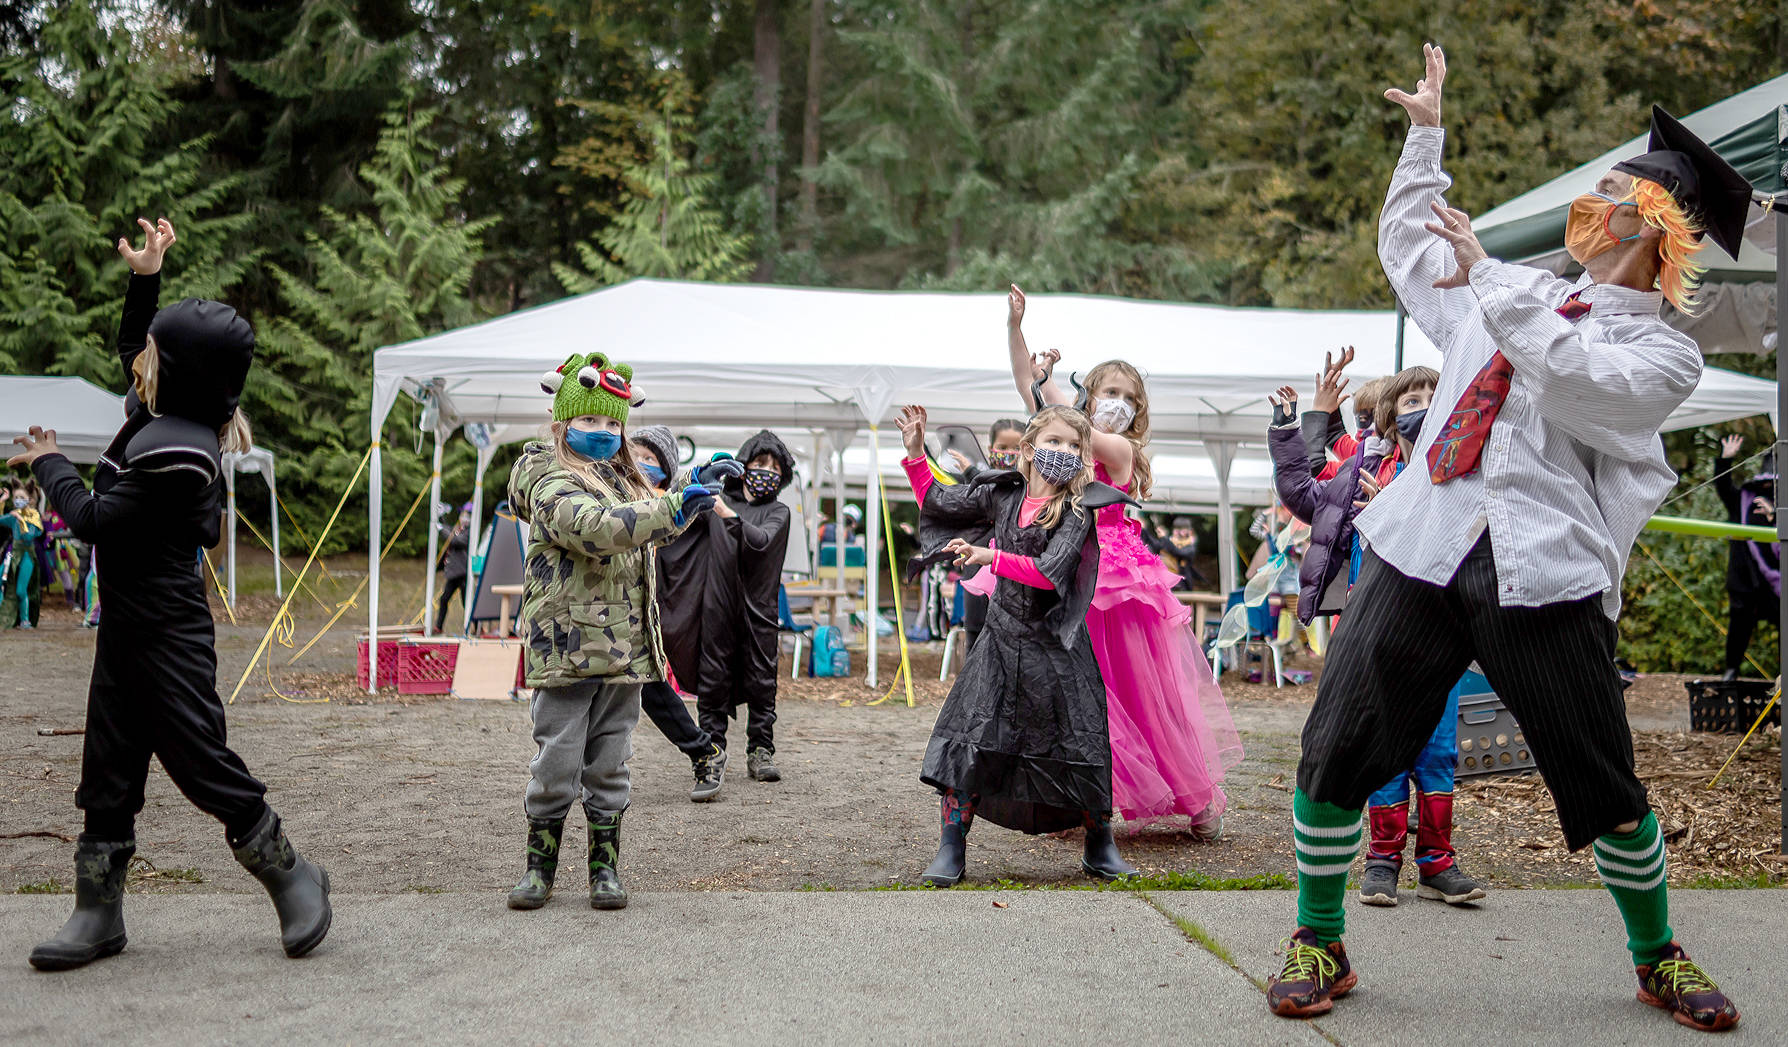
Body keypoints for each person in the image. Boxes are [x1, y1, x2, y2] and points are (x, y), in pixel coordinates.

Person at [1266, 45, 1748, 1032]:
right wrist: (1425, 138)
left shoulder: (1658, 351)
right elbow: (1412, 254)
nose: (1590, 202)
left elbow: (1570, 371)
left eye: (1609, 191)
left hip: (1541, 572)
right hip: (1422, 542)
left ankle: (1657, 954)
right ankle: (1321, 937)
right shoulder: (1509, 288)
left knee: (1604, 778)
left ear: (1653, 226)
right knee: (1336, 750)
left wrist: (1490, 277)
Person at [14, 218, 331, 970]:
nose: (138, 358)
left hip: (169, 635)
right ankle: (98, 911)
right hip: (125, 629)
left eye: (156, 349)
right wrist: (145, 275)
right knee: (108, 766)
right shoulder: (165, 408)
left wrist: (52, 462)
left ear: (180, 372)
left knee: (201, 761)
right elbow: (134, 349)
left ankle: (292, 874)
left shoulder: (183, 457)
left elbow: (93, 520)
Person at [1008, 284, 1243, 835]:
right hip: (1070, 568)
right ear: (1089, 394)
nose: (1119, 400)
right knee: (1075, 689)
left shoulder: (1118, 449)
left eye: (1128, 396)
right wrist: (1015, 329)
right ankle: (1082, 794)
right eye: (1108, 390)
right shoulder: (1069, 435)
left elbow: (1046, 410)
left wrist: (1044, 394)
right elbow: (1030, 394)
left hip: (1119, 579)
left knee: (1140, 689)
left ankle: (1193, 795)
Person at [505, 352, 716, 912]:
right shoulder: (544, 477)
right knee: (557, 763)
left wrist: (693, 492)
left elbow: (654, 531)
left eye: (611, 423)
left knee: (610, 765)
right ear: (561, 424)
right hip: (568, 652)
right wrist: (672, 505)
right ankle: (539, 868)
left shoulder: (626, 477)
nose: (602, 432)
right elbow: (595, 531)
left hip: (626, 648)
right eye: (589, 421)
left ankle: (605, 869)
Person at [1271, 374, 1488, 909]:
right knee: (1380, 751)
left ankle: (1438, 862)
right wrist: (1296, 425)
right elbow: (1303, 493)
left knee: (1437, 752)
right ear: (1390, 417)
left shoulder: (1465, 477)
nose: (1424, 409)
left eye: (1434, 400)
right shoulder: (1362, 473)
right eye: (1412, 401)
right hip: (1374, 636)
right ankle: (1382, 862)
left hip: (1441, 639)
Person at [897, 403, 1138, 885]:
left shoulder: (1078, 510)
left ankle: (1099, 844)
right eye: (1054, 442)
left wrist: (990, 554)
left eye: (1074, 445)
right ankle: (951, 847)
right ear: (1028, 451)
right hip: (1001, 641)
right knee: (971, 737)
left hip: (1058, 647)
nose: (1064, 452)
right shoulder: (1003, 496)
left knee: (1081, 743)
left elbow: (1050, 574)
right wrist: (915, 455)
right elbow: (939, 504)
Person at [658, 430, 796, 784]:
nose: (767, 470)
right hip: (716, 604)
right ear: (743, 465)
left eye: (774, 466)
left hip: (759, 608)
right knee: (713, 676)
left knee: (762, 678)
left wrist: (724, 511)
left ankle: (760, 750)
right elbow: (676, 526)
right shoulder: (715, 504)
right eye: (759, 463)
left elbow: (760, 541)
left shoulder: (777, 511)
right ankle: (712, 747)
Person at [629, 424, 739, 802]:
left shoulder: (664, 501)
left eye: (651, 459)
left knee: (649, 688)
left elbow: (672, 503)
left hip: (639, 609)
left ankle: (704, 750)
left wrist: (696, 478)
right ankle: (583, 773)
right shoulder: (606, 486)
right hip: (599, 609)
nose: (642, 464)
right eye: (637, 454)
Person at [950, 419, 1025, 653]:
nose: (1009, 454)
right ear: (991, 447)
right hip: (978, 570)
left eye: (1017, 447)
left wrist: (971, 472)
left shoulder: (1030, 486)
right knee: (976, 633)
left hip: (1013, 575)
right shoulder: (978, 485)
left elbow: (1002, 498)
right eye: (1002, 447)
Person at [1713, 435, 1776, 681]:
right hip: (1743, 580)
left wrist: (1774, 517)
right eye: (1764, 484)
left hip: (1775, 582)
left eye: (1772, 485)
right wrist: (1726, 459)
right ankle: (1731, 671)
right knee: (1739, 627)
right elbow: (1723, 486)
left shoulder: (1782, 506)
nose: (1766, 490)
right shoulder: (1740, 500)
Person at [1, 481, 44, 629]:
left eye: (21, 497)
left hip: (27, 554)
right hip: (13, 554)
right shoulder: (14, 515)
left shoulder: (33, 516)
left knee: (21, 590)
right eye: (15, 497)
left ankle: (25, 620)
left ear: (29, 499)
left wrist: (20, 520)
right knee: (1, 576)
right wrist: (2, 501)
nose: (17, 500)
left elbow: (28, 537)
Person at [432, 502, 472, 634]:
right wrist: (442, 518)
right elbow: (451, 531)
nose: (463, 517)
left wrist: (441, 529)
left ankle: (476, 628)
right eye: (462, 514)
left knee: (467, 603)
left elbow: (455, 540)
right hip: (455, 573)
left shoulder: (469, 532)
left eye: (466, 515)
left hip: (463, 573)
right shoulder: (460, 529)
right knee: (444, 599)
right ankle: (439, 626)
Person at [1140, 516, 1205, 591]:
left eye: (1182, 530)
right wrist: (1144, 530)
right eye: (1176, 530)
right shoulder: (1169, 542)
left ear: (1189, 532)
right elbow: (1155, 545)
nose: (1179, 533)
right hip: (1164, 580)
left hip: (1181, 584)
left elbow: (1177, 552)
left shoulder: (1190, 548)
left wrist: (1164, 538)